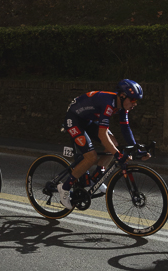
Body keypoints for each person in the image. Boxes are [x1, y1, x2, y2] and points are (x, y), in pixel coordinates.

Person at [58, 79, 146, 208]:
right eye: (133, 100)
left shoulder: (121, 106)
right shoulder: (108, 104)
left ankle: (94, 180)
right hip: (74, 118)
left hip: (88, 120)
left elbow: (126, 129)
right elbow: (102, 135)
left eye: (136, 101)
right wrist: (117, 155)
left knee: (113, 144)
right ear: (122, 96)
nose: (135, 104)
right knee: (91, 156)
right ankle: (64, 188)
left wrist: (136, 149)